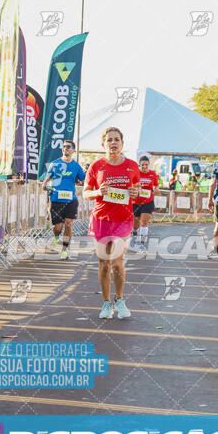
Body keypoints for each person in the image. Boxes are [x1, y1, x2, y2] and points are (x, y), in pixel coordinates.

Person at [83, 127, 140, 319]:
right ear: (103, 144)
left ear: (122, 143)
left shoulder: (132, 166)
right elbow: (85, 192)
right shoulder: (96, 166)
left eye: (116, 139)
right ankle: (106, 303)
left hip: (123, 219)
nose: (113, 143)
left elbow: (137, 190)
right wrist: (98, 192)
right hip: (101, 219)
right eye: (109, 140)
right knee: (104, 263)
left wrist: (135, 193)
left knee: (117, 261)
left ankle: (120, 300)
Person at [42, 140, 85, 259]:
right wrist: (44, 184)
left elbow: (83, 179)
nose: (65, 148)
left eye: (68, 147)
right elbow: (47, 177)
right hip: (56, 199)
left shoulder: (76, 166)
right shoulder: (54, 164)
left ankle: (65, 250)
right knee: (58, 227)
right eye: (64, 147)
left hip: (71, 200)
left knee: (69, 224)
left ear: (73, 150)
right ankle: (56, 237)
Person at [130, 156, 160, 253]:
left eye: (146, 165)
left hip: (148, 202)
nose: (144, 166)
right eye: (142, 165)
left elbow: (156, 186)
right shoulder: (136, 173)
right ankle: (134, 235)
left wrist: (156, 190)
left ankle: (142, 245)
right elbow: (130, 185)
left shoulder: (152, 174)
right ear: (140, 165)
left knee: (144, 222)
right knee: (136, 224)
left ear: (148, 165)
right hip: (136, 202)